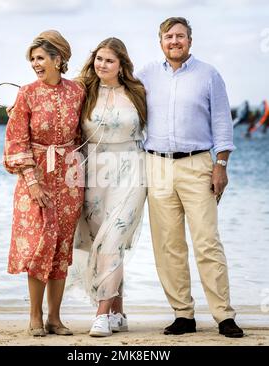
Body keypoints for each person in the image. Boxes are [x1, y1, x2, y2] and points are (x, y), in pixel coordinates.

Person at [137, 17, 244, 338]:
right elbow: (112, 97)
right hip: (155, 166)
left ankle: (224, 315)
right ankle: (183, 314)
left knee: (207, 242)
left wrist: (221, 163)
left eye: (180, 36)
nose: (175, 41)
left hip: (198, 165)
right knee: (168, 245)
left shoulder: (209, 75)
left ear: (190, 41)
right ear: (160, 42)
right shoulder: (145, 75)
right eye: (169, 36)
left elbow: (222, 121)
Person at [3, 30, 85, 337]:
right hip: (34, 180)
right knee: (40, 246)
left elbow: (83, 135)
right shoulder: (26, 93)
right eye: (32, 59)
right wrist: (33, 183)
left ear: (58, 59)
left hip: (69, 181)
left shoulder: (77, 92)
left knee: (62, 248)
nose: (35, 64)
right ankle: (34, 317)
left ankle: (55, 318)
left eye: (40, 58)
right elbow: (16, 141)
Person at [74, 37, 147, 337]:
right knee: (99, 244)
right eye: (99, 59)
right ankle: (119, 311)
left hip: (131, 172)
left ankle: (101, 315)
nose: (102, 65)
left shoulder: (137, 92)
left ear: (121, 65)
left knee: (112, 240)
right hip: (94, 174)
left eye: (109, 60)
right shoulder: (83, 90)